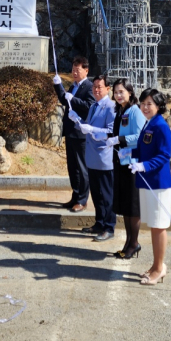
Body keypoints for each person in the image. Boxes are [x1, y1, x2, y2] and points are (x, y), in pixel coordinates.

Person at [130, 88, 171, 286]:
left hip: (158, 184)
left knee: (159, 226)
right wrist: (128, 153)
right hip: (147, 183)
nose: (145, 107)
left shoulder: (161, 126)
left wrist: (144, 165)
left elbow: (164, 155)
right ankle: (157, 265)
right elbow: (142, 148)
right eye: (143, 103)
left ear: (158, 106)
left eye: (149, 104)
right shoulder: (149, 124)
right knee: (153, 225)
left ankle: (159, 268)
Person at [53, 56, 95, 212]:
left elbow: (89, 106)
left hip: (81, 133)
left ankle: (83, 200)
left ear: (86, 70)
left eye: (78, 70)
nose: (74, 73)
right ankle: (75, 196)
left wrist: (73, 99)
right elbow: (66, 101)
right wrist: (58, 86)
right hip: (71, 131)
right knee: (72, 167)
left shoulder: (89, 87)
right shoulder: (74, 86)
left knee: (82, 167)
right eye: (73, 70)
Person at [111, 78, 147, 260]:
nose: (118, 95)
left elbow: (139, 136)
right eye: (116, 92)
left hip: (133, 166)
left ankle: (134, 243)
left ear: (130, 92)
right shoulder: (121, 111)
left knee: (133, 207)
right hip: (122, 163)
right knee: (125, 206)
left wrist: (119, 140)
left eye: (121, 92)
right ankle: (128, 242)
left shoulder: (135, 111)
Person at [78, 75, 117, 241]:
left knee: (107, 195)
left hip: (104, 157)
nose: (96, 90)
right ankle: (99, 222)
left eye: (99, 87)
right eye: (94, 87)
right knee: (96, 193)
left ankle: (109, 226)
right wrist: (77, 120)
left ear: (108, 89)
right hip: (92, 157)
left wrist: (91, 129)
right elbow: (88, 126)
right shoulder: (94, 106)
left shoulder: (111, 107)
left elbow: (110, 131)